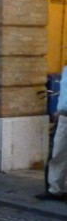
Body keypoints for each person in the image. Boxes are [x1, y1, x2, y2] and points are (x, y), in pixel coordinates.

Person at [41, 61, 67, 200]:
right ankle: (55, 190)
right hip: (64, 117)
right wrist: (59, 110)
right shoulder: (66, 69)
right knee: (58, 154)